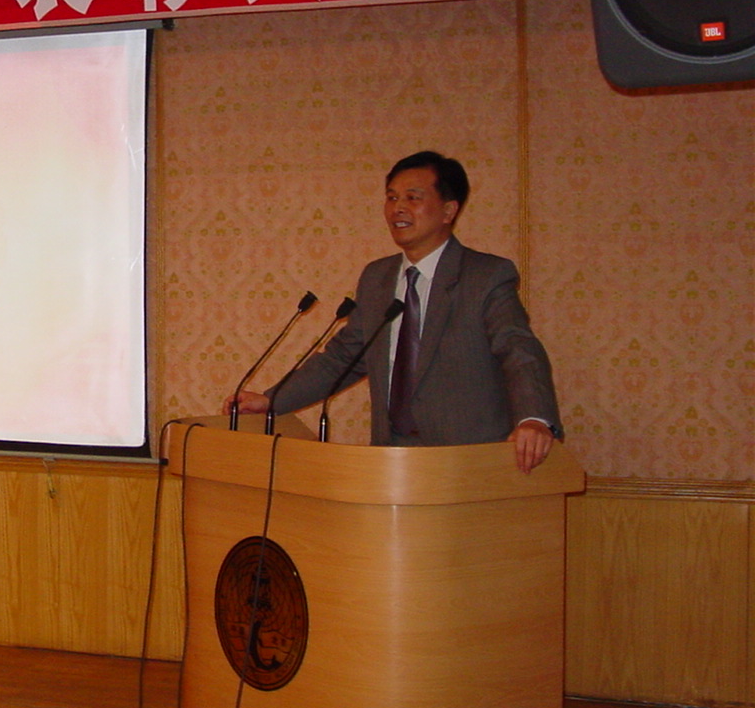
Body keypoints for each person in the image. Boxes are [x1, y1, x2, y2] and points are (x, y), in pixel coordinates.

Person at [230, 151, 560, 473]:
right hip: (391, 460)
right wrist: (272, 400)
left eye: (412, 198)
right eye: (391, 197)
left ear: (448, 210)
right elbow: (342, 358)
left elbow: (518, 349)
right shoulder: (377, 278)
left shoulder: (485, 276)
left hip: (466, 462)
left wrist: (534, 418)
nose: (397, 208)